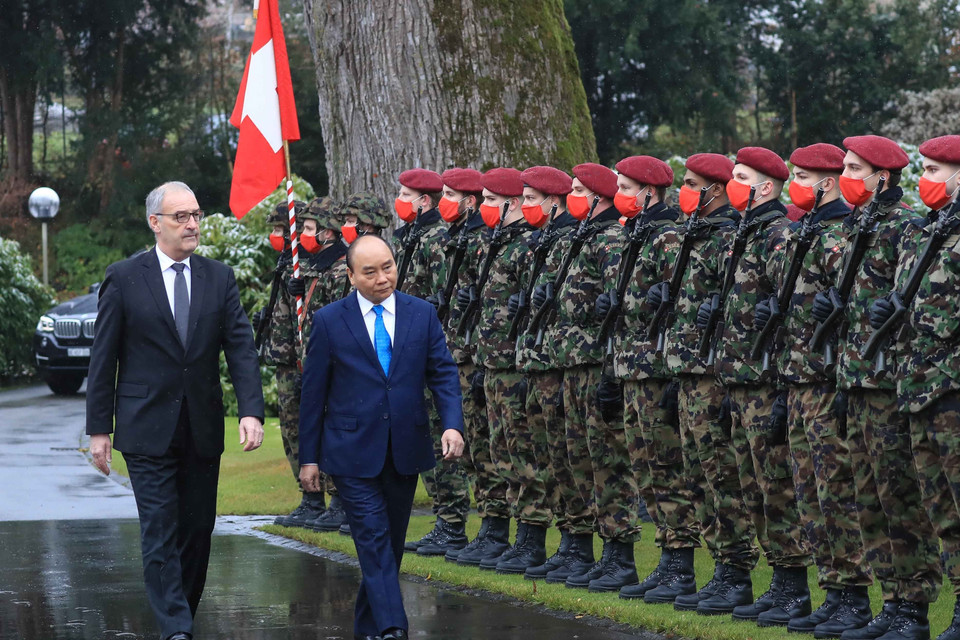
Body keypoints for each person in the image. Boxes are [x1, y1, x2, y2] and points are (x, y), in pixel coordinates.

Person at [86, 181, 265, 640]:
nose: (191, 224)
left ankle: (180, 612)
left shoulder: (218, 277)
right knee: (160, 527)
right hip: (145, 427)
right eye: (180, 217)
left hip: (202, 426)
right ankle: (176, 628)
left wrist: (250, 410)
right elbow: (103, 359)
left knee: (197, 529)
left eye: (196, 215)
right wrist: (98, 430)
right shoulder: (124, 277)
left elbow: (240, 348)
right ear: (155, 223)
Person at [298, 234, 465, 640]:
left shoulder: (421, 314)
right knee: (372, 538)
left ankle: (367, 627)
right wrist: (309, 458)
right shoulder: (329, 320)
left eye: (387, 267)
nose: (382, 278)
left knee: (389, 545)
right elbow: (313, 395)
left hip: (405, 447)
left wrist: (452, 424)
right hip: (350, 451)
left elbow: (442, 373)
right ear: (351, 275)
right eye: (369, 272)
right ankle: (394, 627)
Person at [878, 134, 960, 640]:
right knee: (940, 513)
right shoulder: (919, 233)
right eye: (922, 169)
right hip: (918, 388)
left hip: (953, 386)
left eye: (933, 170)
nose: (922, 179)